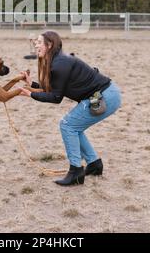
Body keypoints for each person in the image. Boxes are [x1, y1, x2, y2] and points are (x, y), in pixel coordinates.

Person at [18, 31, 121, 186]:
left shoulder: (59, 64)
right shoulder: (58, 61)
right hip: (105, 94)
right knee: (74, 126)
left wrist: (31, 95)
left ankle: (76, 172)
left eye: (39, 42)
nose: (35, 44)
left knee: (68, 125)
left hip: (105, 96)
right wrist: (32, 85)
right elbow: (55, 88)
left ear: (50, 44)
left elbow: (55, 97)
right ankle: (94, 164)